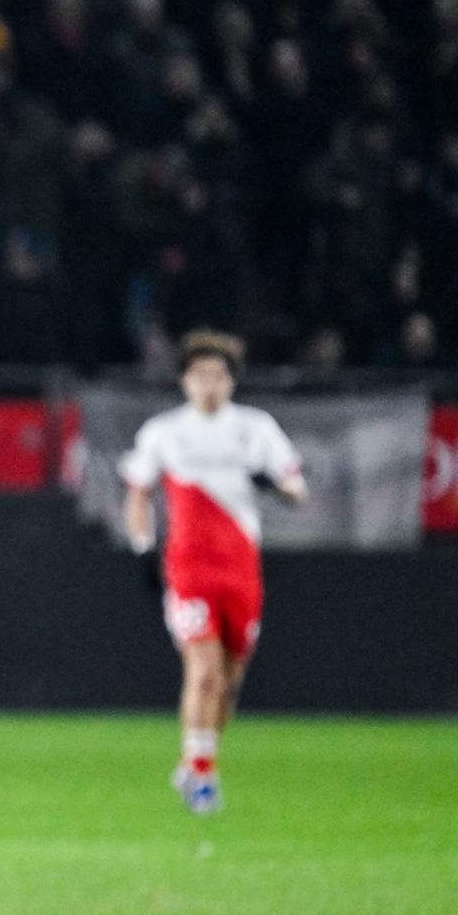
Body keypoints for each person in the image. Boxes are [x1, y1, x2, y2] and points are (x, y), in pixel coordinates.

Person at [120, 330, 306, 814]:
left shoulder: (256, 428)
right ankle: (202, 779)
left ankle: (197, 758)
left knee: (229, 680)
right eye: (199, 374)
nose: (209, 384)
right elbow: (138, 492)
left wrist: (274, 486)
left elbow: (297, 488)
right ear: (184, 381)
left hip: (241, 569)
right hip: (190, 568)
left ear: (231, 382)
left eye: (218, 375)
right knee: (203, 673)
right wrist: (143, 549)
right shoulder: (164, 432)